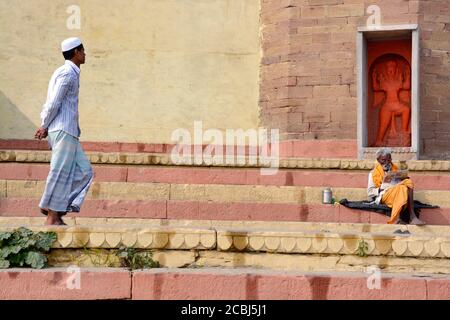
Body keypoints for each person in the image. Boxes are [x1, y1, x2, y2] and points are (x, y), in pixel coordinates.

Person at [34, 37, 93, 225]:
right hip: (62, 130)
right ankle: (52, 216)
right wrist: (44, 124)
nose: (85, 54)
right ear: (76, 52)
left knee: (85, 172)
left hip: (70, 131)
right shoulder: (67, 73)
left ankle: (52, 206)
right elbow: (54, 102)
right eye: (83, 51)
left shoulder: (71, 73)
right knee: (60, 171)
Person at [367, 148, 425, 225]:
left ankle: (406, 218)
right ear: (378, 160)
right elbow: (370, 192)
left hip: (398, 191)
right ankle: (410, 217)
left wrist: (403, 178)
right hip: (384, 195)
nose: (387, 162)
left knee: (407, 182)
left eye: (389, 160)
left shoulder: (395, 169)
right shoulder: (373, 173)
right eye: (384, 160)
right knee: (401, 188)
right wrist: (381, 188)